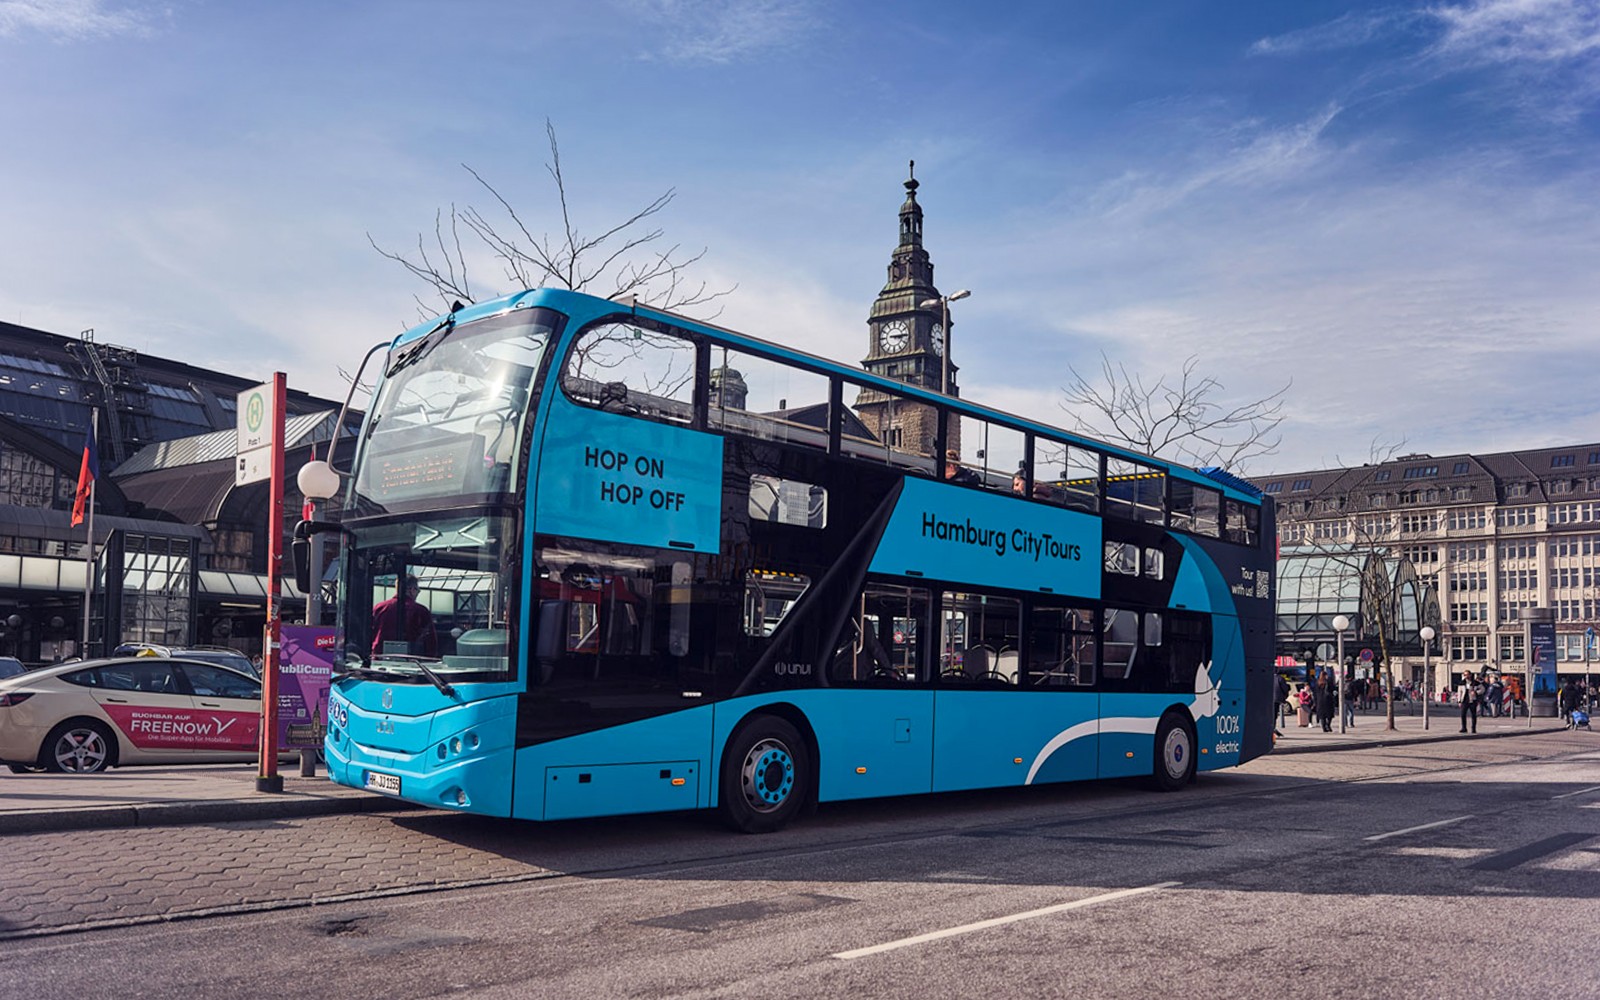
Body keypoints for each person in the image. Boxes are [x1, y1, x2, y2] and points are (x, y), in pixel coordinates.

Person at [371, 574, 438, 657]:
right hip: (411, 660)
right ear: (412, 589)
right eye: (417, 590)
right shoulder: (421, 611)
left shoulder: (379, 608)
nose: (418, 593)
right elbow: (430, 641)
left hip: (379, 657)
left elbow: (370, 633)